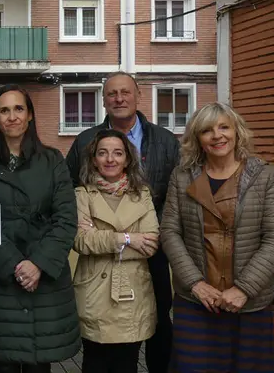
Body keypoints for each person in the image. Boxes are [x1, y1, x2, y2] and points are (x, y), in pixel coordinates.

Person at [160, 103, 274, 373]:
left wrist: (243, 289)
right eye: (207, 130)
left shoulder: (264, 176)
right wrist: (195, 283)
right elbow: (170, 233)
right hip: (196, 303)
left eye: (224, 127)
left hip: (249, 304)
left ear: (237, 132)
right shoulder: (182, 177)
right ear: (198, 139)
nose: (217, 136)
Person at [65, 71, 179, 373]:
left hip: (151, 254)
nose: (119, 98)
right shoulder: (85, 140)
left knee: (155, 319)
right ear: (104, 100)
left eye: (125, 92)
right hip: (101, 267)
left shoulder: (166, 140)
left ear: (138, 95)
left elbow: (175, 194)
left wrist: (147, 231)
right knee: (99, 341)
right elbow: (71, 194)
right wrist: (128, 238)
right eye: (112, 94)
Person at [0, 85, 80, 373]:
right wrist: (15, 265)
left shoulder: (53, 160)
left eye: (19, 109)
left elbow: (66, 218)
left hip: (44, 283)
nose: (12, 116)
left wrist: (38, 264)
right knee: (1, 365)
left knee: (38, 366)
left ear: (29, 115)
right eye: (4, 110)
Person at [73, 129, 159, 373]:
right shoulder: (82, 195)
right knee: (94, 362)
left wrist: (104, 240)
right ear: (93, 159)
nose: (110, 159)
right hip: (95, 293)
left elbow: (151, 243)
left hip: (132, 292)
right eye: (103, 153)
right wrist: (130, 238)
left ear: (128, 159)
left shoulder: (141, 194)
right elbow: (81, 241)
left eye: (117, 153)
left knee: (127, 363)